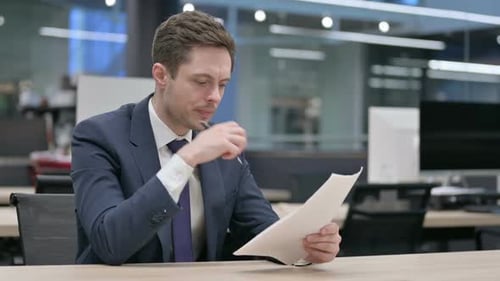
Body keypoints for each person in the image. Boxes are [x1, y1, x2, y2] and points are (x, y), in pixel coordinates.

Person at [71, 10, 341, 265]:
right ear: (161, 75)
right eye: (201, 82)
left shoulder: (223, 150)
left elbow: (262, 232)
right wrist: (186, 159)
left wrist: (305, 246)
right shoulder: (98, 137)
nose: (215, 96)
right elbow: (110, 242)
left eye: (222, 84)